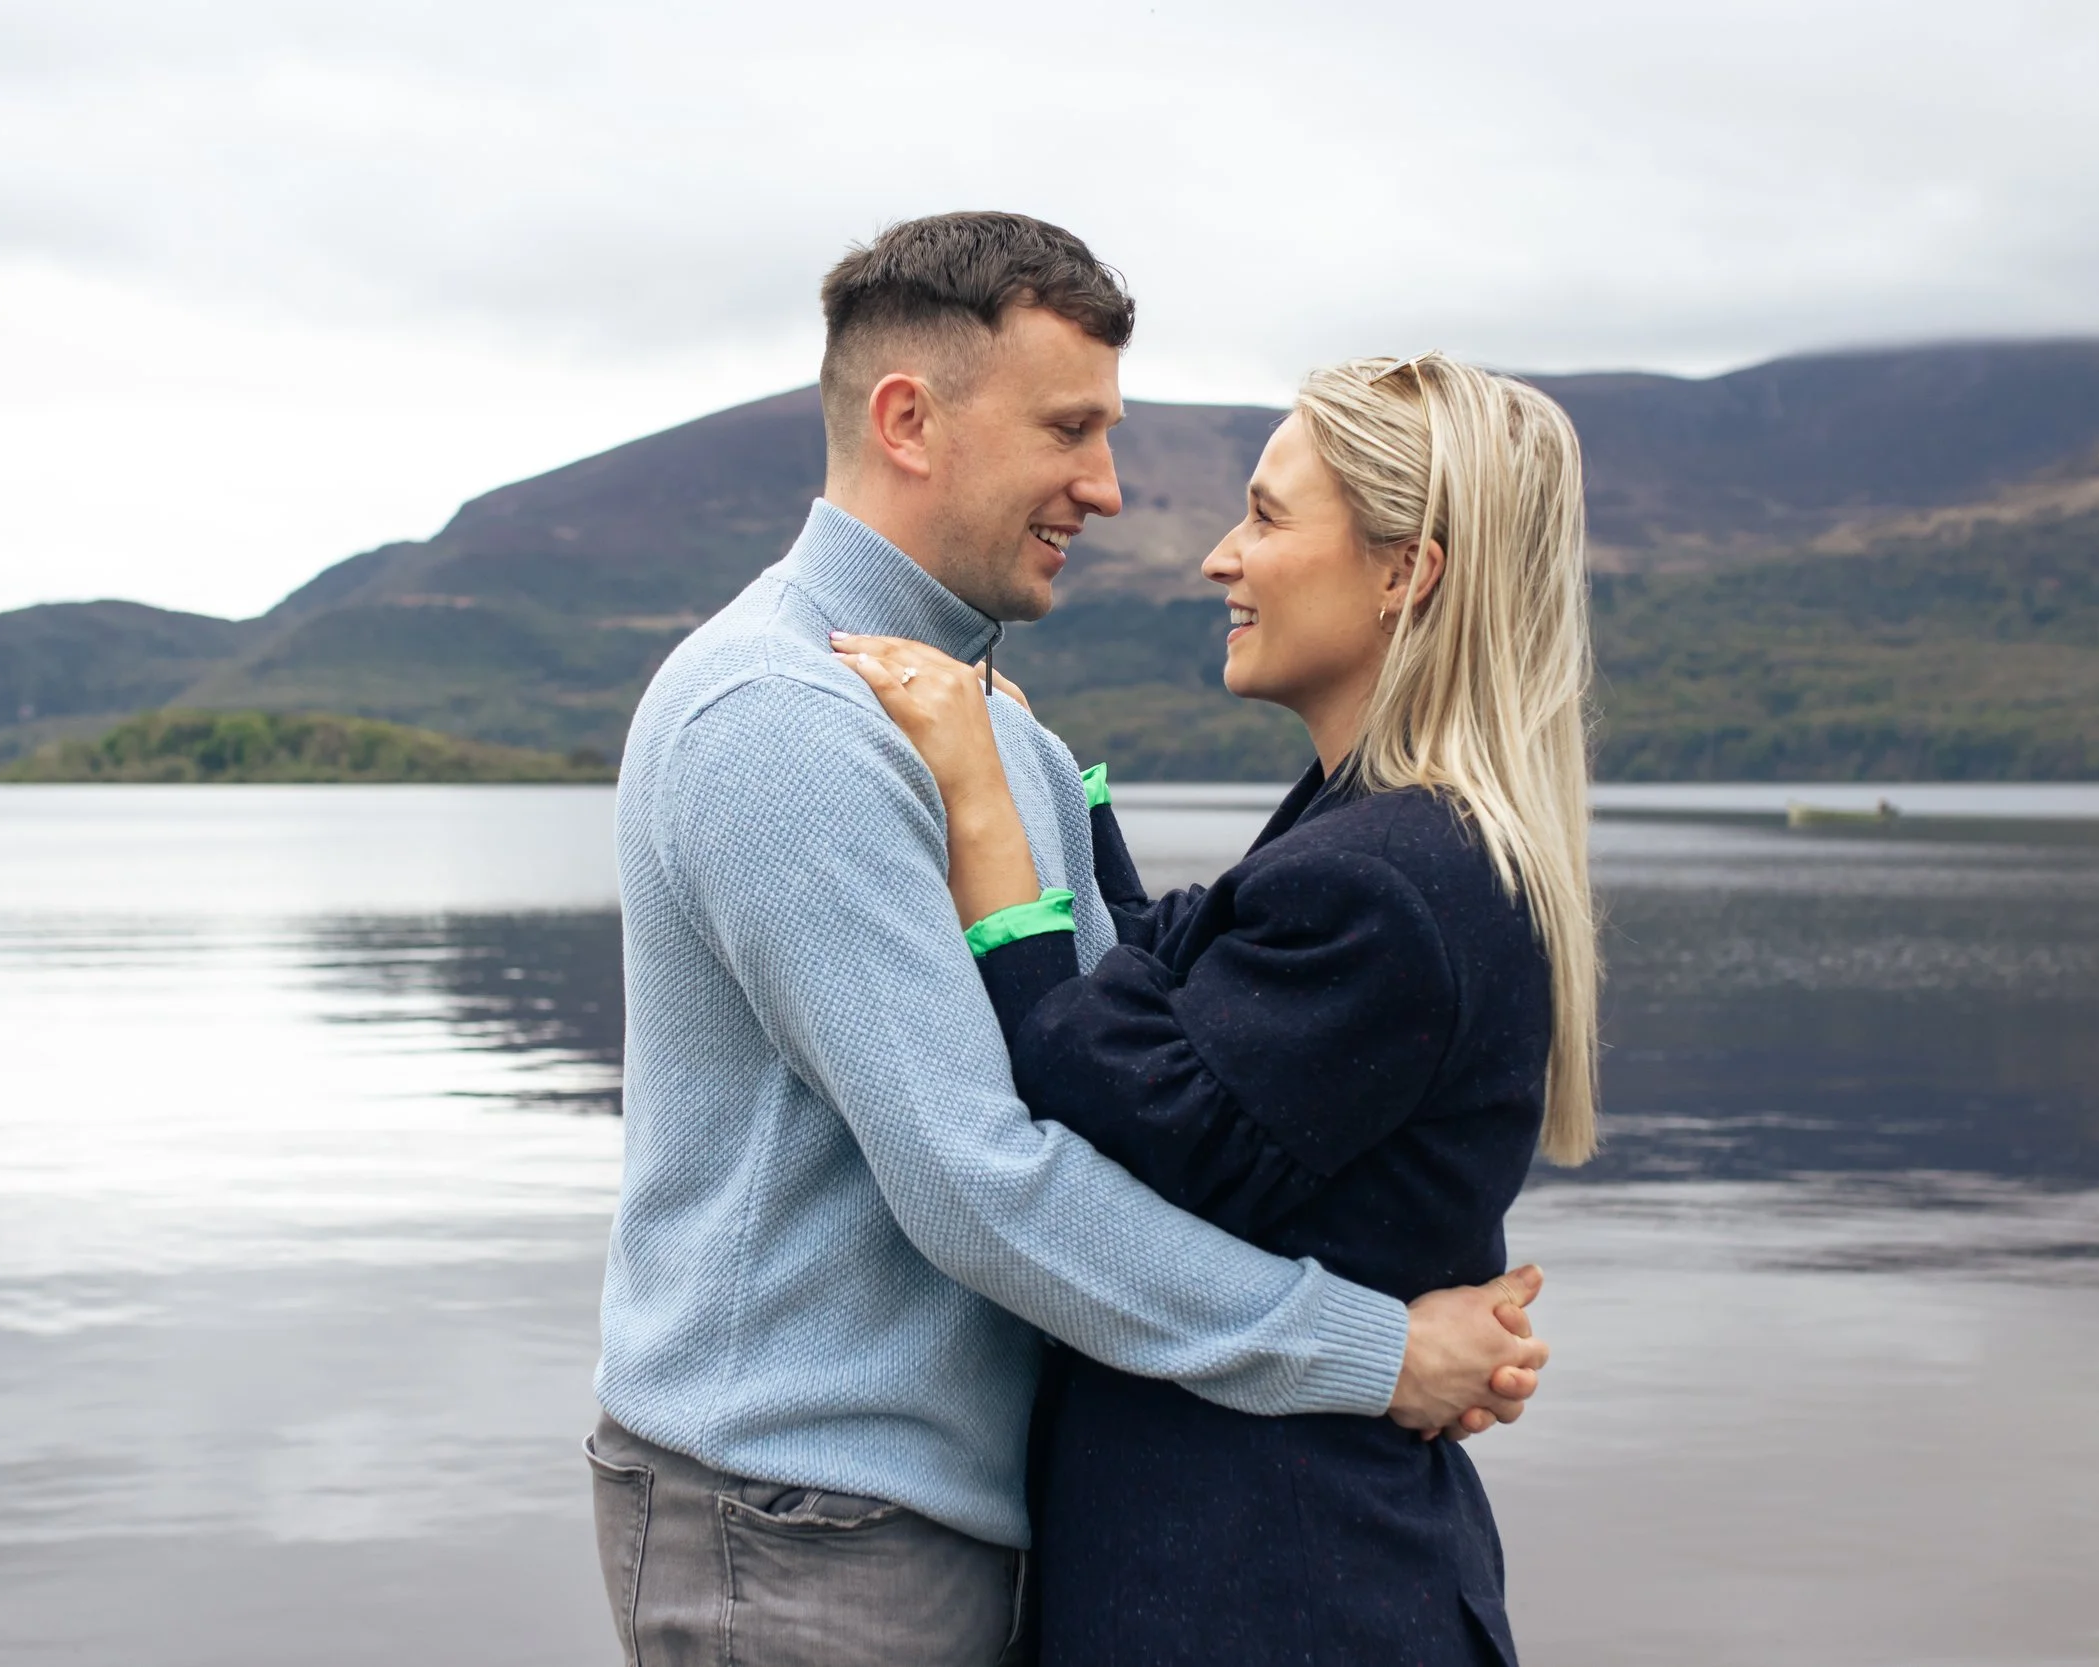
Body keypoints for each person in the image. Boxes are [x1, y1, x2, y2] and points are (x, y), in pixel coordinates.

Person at [590, 213, 1550, 1667]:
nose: (1108, 488)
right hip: (796, 1515)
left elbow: (1123, 1099)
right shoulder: (780, 722)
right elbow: (986, 1186)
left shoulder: (1010, 751)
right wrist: (1379, 1349)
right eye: (1069, 429)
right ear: (911, 421)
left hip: (946, 1510)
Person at [836, 349, 1598, 1664]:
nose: (1219, 560)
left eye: (1267, 516)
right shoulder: (1376, 836)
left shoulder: (1390, 880)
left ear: (1405, 573)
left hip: (1273, 1588)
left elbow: (1111, 1102)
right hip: (1302, 1566)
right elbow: (1175, 970)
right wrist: (1049, 781)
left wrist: (976, 801)